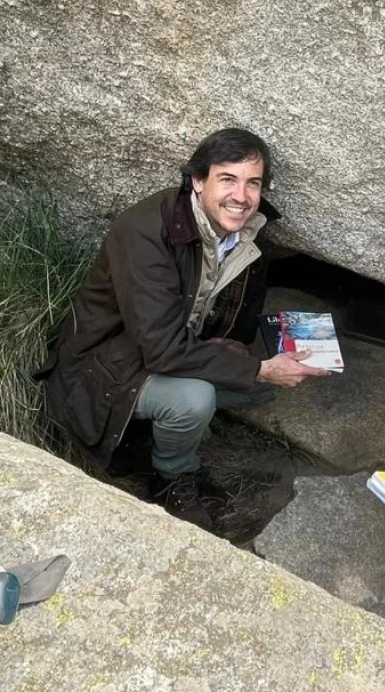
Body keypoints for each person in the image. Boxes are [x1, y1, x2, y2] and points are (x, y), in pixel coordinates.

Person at [38, 128, 330, 530]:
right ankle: (171, 476)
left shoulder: (246, 237)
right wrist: (261, 368)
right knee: (197, 397)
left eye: (253, 183)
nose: (241, 196)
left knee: (258, 383)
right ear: (197, 180)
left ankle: (161, 429)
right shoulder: (144, 231)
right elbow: (160, 349)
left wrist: (248, 359)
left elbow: (232, 327)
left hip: (166, 347)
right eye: (227, 179)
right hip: (101, 367)